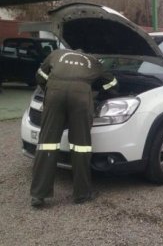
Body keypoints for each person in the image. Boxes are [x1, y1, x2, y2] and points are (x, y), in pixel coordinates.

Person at [30, 48, 118, 207]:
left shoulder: (57, 54)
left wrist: (48, 90)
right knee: (81, 146)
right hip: (81, 95)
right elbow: (112, 82)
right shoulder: (93, 61)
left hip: (54, 92)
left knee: (46, 144)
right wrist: (98, 92)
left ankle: (38, 195)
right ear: (85, 53)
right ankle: (82, 194)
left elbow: (40, 76)